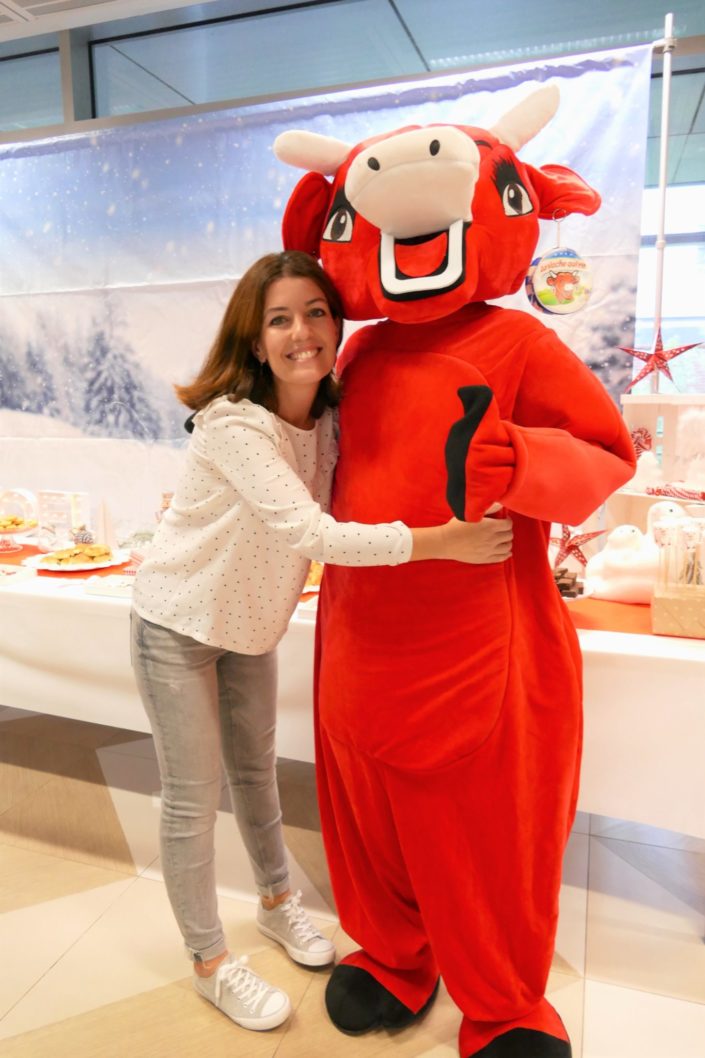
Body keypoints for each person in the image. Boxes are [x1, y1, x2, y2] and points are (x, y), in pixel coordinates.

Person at [129, 250, 513, 1035]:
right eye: (279, 319)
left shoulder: (331, 416)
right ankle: (209, 962)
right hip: (178, 624)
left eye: (314, 312)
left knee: (258, 777)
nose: (300, 332)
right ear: (254, 337)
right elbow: (310, 530)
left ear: (336, 324)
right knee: (194, 800)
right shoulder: (235, 423)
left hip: (251, 629)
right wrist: (444, 541)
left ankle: (276, 905)